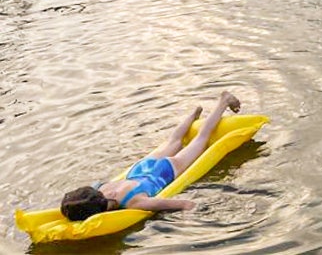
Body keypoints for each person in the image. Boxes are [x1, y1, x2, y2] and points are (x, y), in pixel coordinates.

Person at [59, 91, 242, 221]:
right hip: (140, 168)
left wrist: (189, 222)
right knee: (174, 140)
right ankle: (193, 114)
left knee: (201, 139)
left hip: (164, 170)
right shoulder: (98, 188)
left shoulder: (135, 203)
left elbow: (186, 204)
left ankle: (224, 101)